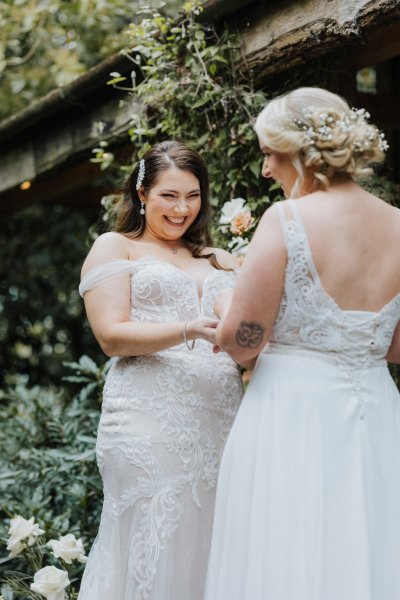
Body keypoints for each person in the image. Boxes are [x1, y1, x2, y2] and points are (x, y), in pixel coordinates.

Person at [204, 87, 400, 600]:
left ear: (300, 153)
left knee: (284, 549)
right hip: (377, 411)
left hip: (292, 412)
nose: (266, 169)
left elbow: (242, 341)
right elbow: (397, 347)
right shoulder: (399, 225)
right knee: (369, 543)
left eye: (270, 153)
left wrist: (225, 301)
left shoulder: (286, 220)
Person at [77, 141, 243, 600]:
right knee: (158, 532)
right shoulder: (117, 247)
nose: (182, 208)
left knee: (214, 538)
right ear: (142, 192)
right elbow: (111, 335)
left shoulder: (218, 258)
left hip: (221, 422)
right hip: (149, 422)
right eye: (169, 195)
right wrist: (189, 328)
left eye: (193, 196)